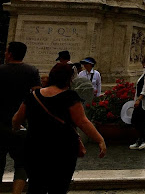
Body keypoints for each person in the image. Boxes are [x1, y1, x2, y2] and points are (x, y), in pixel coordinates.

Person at [12, 63, 106, 193]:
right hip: (62, 150)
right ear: (69, 79)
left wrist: (18, 128)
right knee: (58, 188)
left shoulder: (33, 96)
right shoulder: (70, 97)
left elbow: (17, 119)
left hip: (35, 148)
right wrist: (99, 139)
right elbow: (83, 122)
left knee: (36, 186)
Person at [0, 42, 40, 194]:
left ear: (10, 54)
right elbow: (36, 96)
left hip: (0, 122)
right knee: (22, 163)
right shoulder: (31, 71)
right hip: (21, 123)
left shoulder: (0, 70)